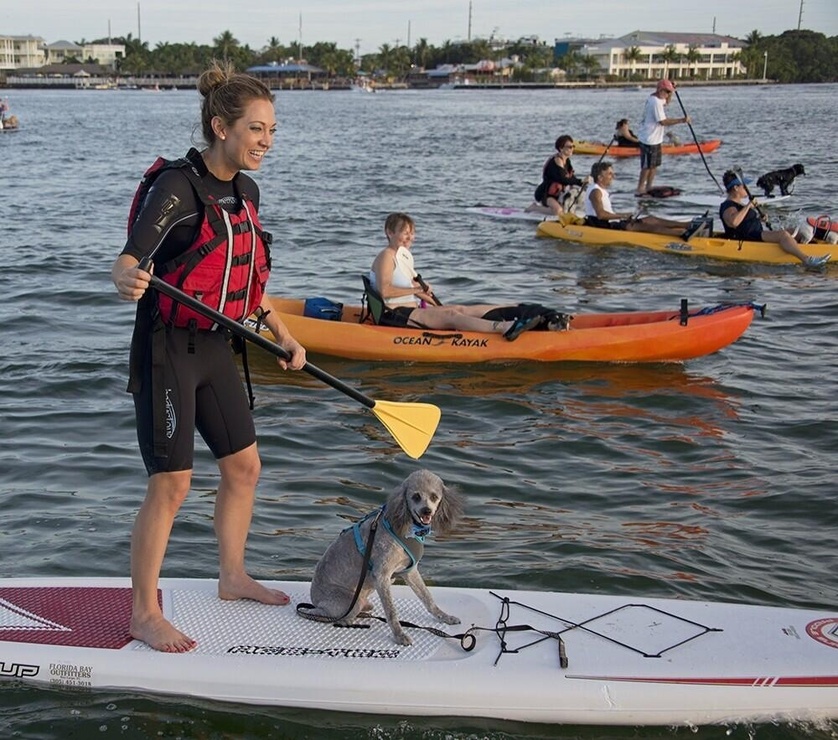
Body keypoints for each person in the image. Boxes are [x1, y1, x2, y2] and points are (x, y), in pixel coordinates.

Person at [111, 60, 307, 653]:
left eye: (271, 130)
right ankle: (144, 612)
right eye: (256, 129)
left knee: (244, 468)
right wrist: (127, 278)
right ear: (221, 127)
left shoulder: (247, 192)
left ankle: (232, 575)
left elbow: (242, 276)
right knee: (172, 484)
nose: (266, 141)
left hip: (219, 343)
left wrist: (281, 331)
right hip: (167, 348)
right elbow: (129, 258)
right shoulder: (177, 187)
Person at [369, 213, 570, 340]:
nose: (410, 238)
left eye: (412, 233)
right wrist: (417, 290)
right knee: (452, 317)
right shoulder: (386, 256)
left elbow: (412, 290)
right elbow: (385, 290)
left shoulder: (403, 257)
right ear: (389, 232)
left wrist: (432, 300)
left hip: (408, 311)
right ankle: (504, 328)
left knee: (459, 309)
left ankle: (530, 314)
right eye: (405, 233)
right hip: (394, 316)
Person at [719, 170, 830, 268]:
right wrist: (748, 206)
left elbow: (744, 220)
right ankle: (807, 259)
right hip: (747, 237)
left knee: (797, 232)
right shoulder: (728, 206)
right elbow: (734, 222)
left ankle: (814, 248)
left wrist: (759, 218)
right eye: (744, 186)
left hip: (755, 234)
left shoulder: (738, 204)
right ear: (736, 188)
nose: (746, 189)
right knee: (783, 235)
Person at [585, 161, 703, 238]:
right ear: (600, 177)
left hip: (611, 223)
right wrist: (623, 215)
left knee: (650, 219)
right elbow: (601, 215)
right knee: (644, 226)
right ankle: (680, 233)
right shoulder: (596, 192)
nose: (613, 176)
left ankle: (687, 225)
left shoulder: (599, 189)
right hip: (604, 226)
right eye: (610, 174)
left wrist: (623, 216)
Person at [635, 79, 691, 197]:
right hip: (648, 138)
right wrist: (681, 120)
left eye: (668, 92)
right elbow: (663, 122)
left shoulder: (659, 98)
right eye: (666, 92)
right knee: (647, 165)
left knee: (654, 165)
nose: (667, 94)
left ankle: (649, 186)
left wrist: (672, 91)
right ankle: (640, 188)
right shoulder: (654, 101)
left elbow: (667, 102)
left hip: (656, 139)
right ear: (660, 90)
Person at [527, 135, 590, 216]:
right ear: (561, 148)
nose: (572, 149)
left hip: (558, 194)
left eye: (573, 146)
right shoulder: (556, 161)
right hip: (546, 194)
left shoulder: (567, 161)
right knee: (558, 211)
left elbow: (571, 177)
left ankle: (550, 209)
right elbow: (562, 179)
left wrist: (583, 184)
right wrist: (580, 181)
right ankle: (534, 208)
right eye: (569, 147)